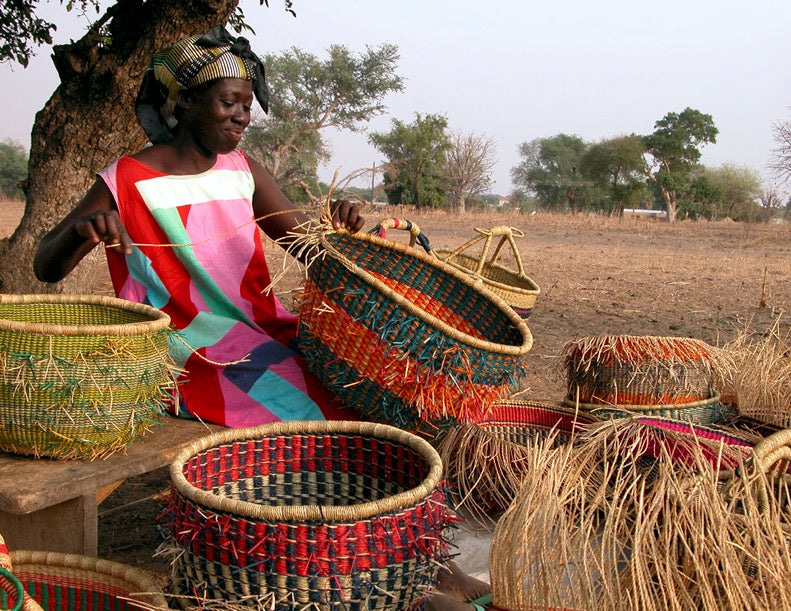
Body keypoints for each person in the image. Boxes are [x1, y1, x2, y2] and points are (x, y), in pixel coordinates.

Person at [33, 26, 491, 610]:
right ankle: (383, 566)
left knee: (369, 395)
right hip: (193, 354)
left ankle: (403, 557)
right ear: (182, 103)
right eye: (228, 103)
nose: (243, 116)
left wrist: (343, 226)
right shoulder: (127, 180)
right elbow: (46, 266)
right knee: (317, 416)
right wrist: (80, 232)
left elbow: (309, 244)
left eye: (247, 105)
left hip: (265, 333)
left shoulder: (241, 170)